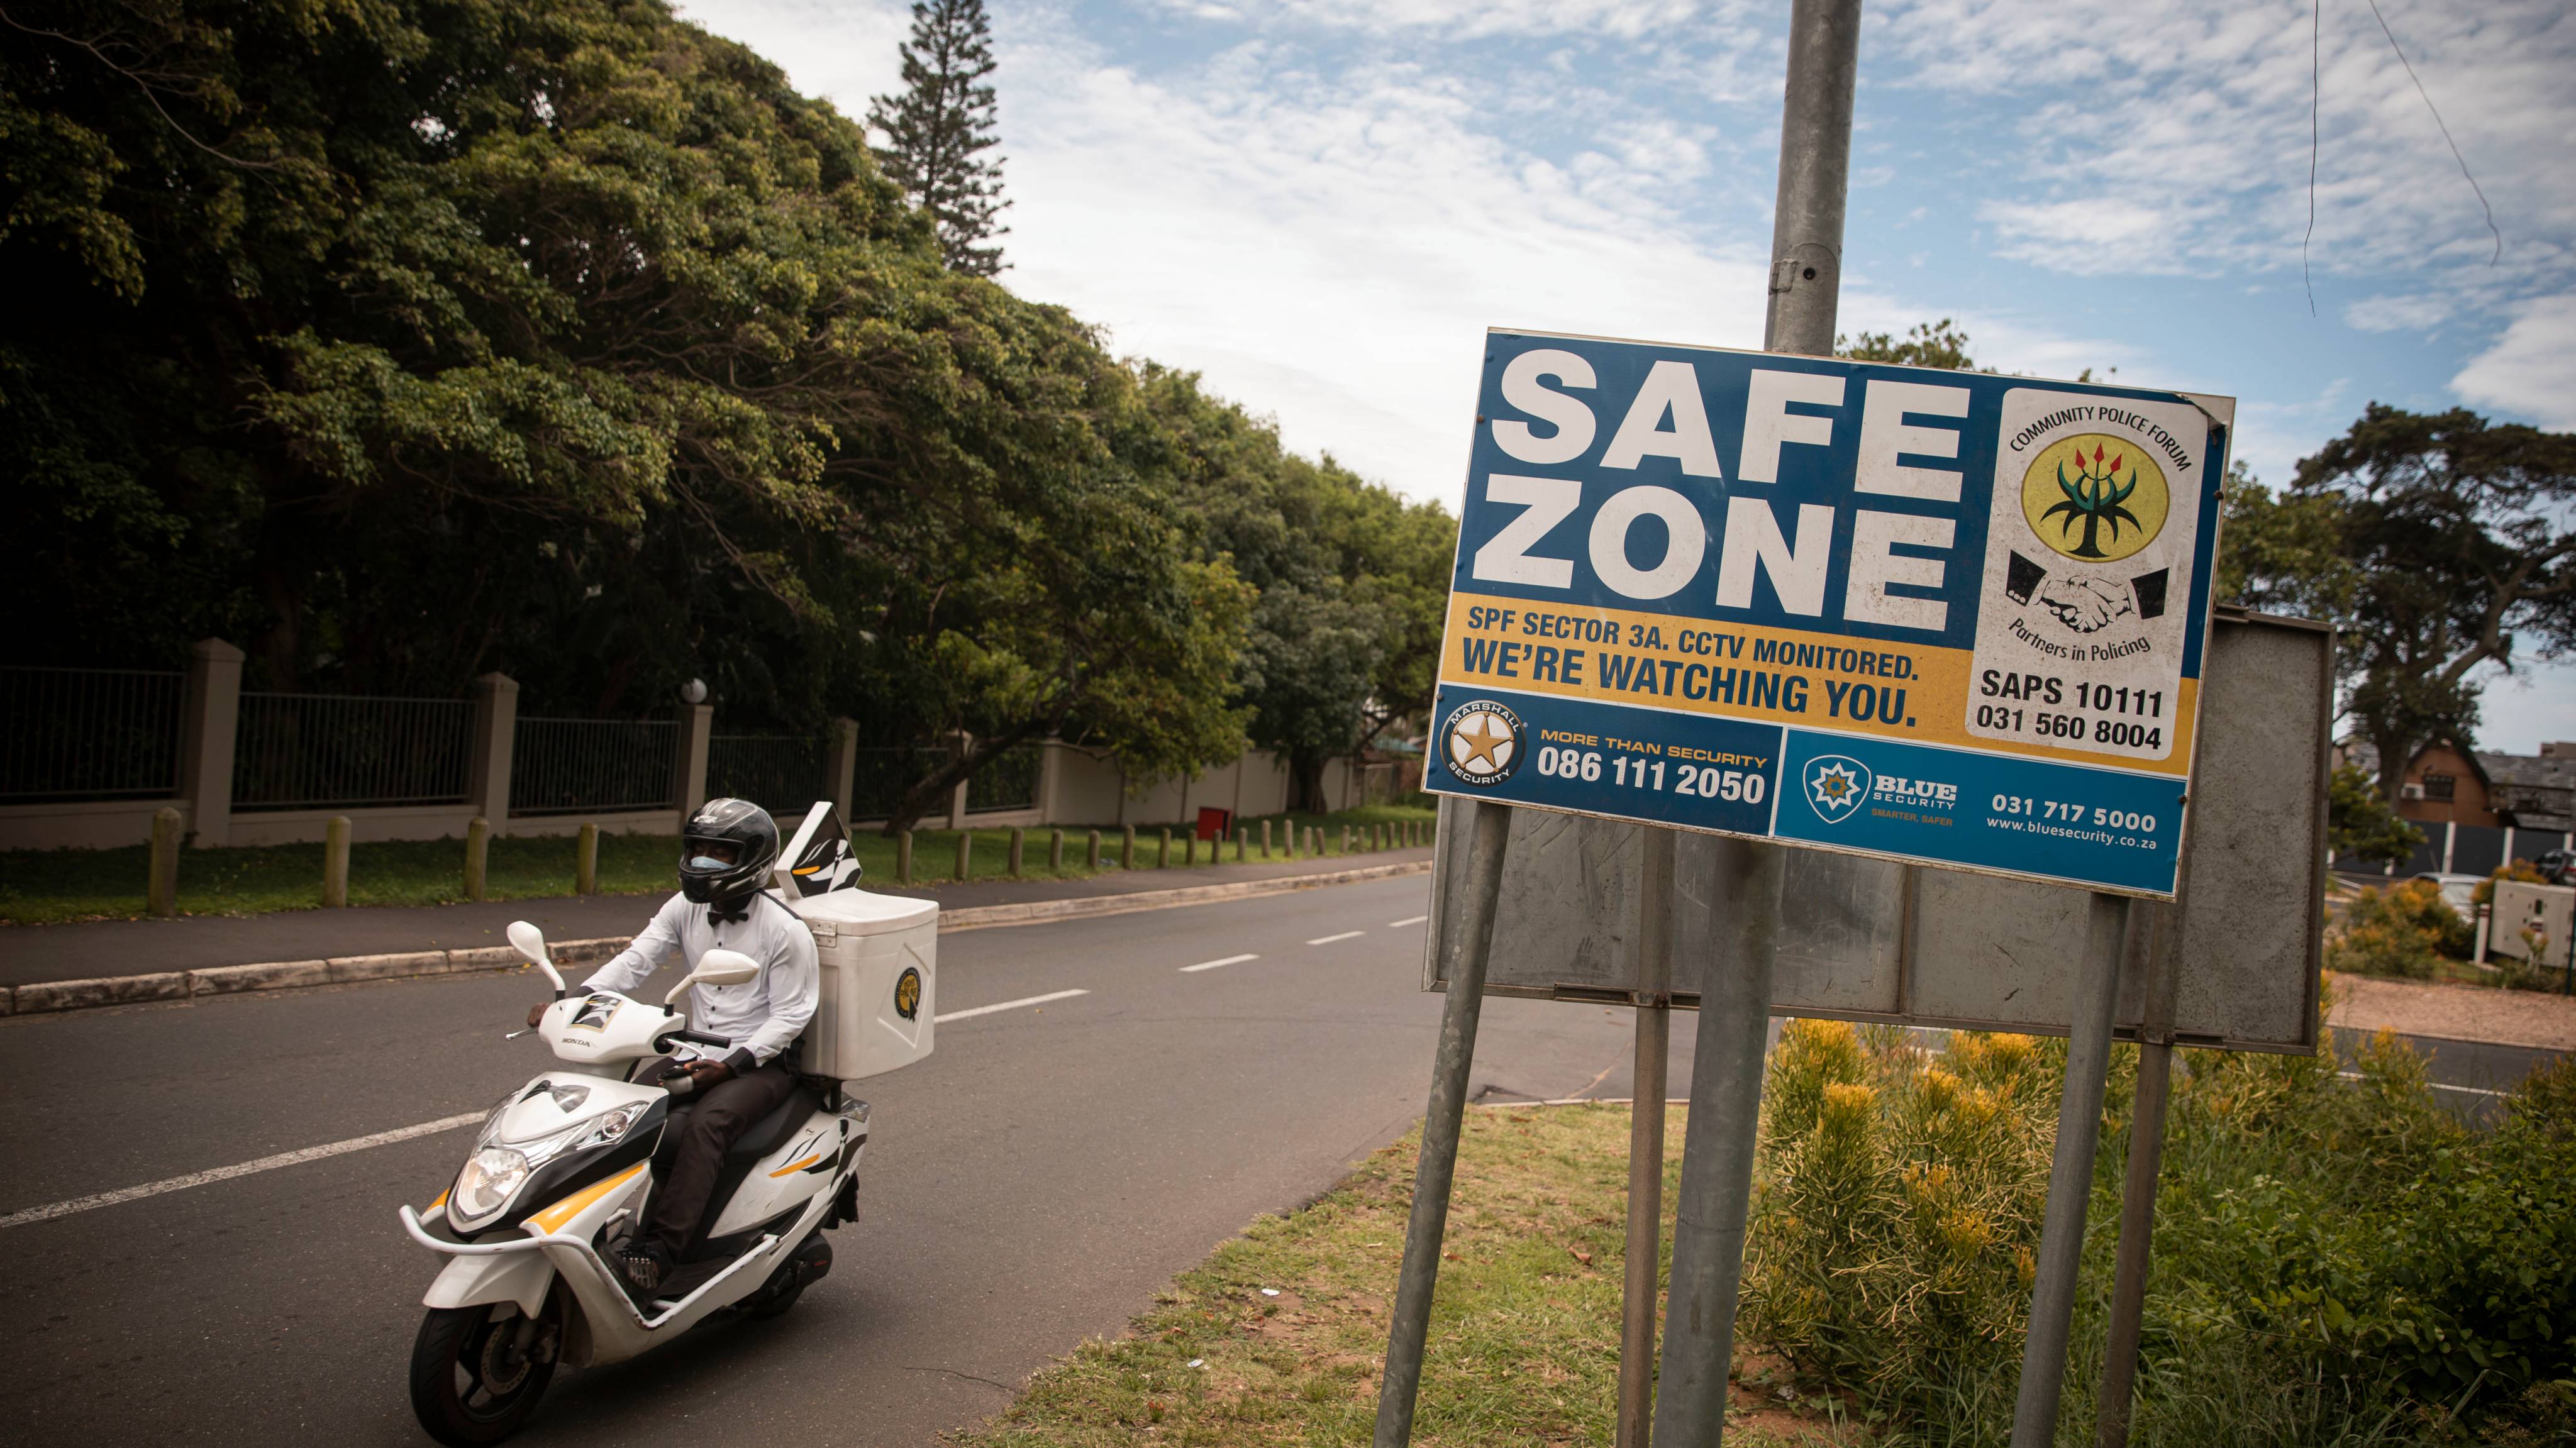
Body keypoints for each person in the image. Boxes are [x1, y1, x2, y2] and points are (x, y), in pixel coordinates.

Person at [528, 797, 817, 1294]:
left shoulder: (784, 929)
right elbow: (636, 960)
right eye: (698, 847)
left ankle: (662, 1251)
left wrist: (731, 1066)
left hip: (762, 1063)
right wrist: (575, 1000)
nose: (704, 859)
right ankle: (586, 1226)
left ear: (753, 858)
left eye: (719, 852)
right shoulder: (684, 907)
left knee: (707, 1125)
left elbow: (792, 1013)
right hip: (693, 1051)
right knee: (621, 1115)